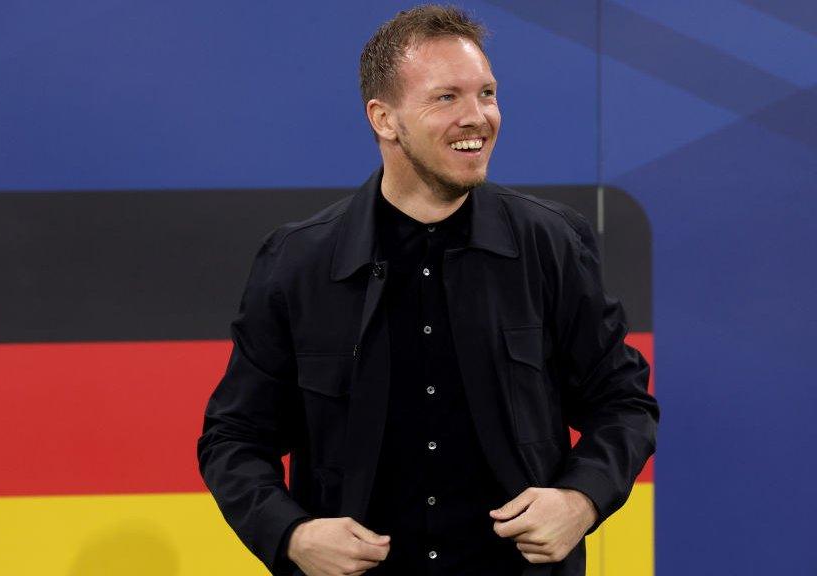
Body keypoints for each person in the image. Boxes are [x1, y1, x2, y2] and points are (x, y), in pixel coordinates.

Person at [197, 5, 659, 576]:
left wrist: (580, 500)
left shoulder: (551, 243)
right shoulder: (298, 261)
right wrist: (291, 534)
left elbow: (624, 403)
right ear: (384, 119)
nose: (479, 117)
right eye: (447, 98)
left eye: (486, 94)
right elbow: (235, 437)